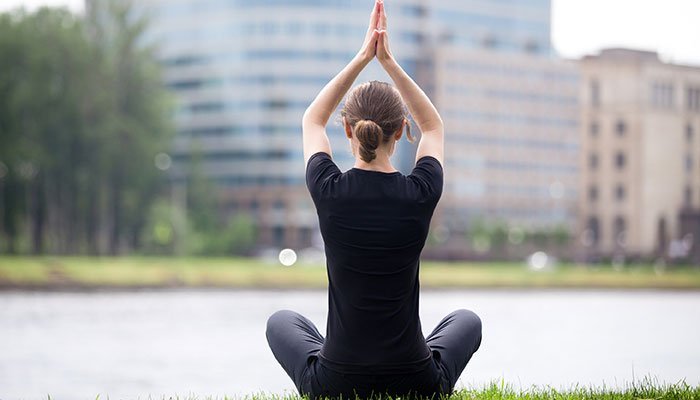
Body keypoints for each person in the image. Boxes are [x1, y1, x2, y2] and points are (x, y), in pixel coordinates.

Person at [266, 1, 481, 398]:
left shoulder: (329, 189)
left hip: (335, 382)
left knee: (281, 320)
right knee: (467, 320)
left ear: (347, 129)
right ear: (401, 131)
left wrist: (363, 56)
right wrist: (389, 63)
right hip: (417, 380)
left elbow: (312, 119)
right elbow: (433, 125)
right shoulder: (421, 191)